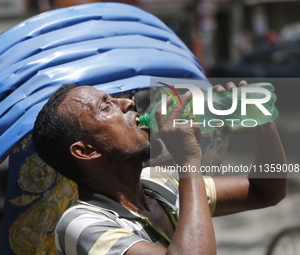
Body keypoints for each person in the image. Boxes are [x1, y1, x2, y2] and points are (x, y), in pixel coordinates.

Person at [32, 80, 287, 255]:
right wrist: (189, 161)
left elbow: (266, 191)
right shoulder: (82, 225)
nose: (128, 103)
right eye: (106, 105)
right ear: (87, 151)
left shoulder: (158, 182)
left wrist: (263, 130)